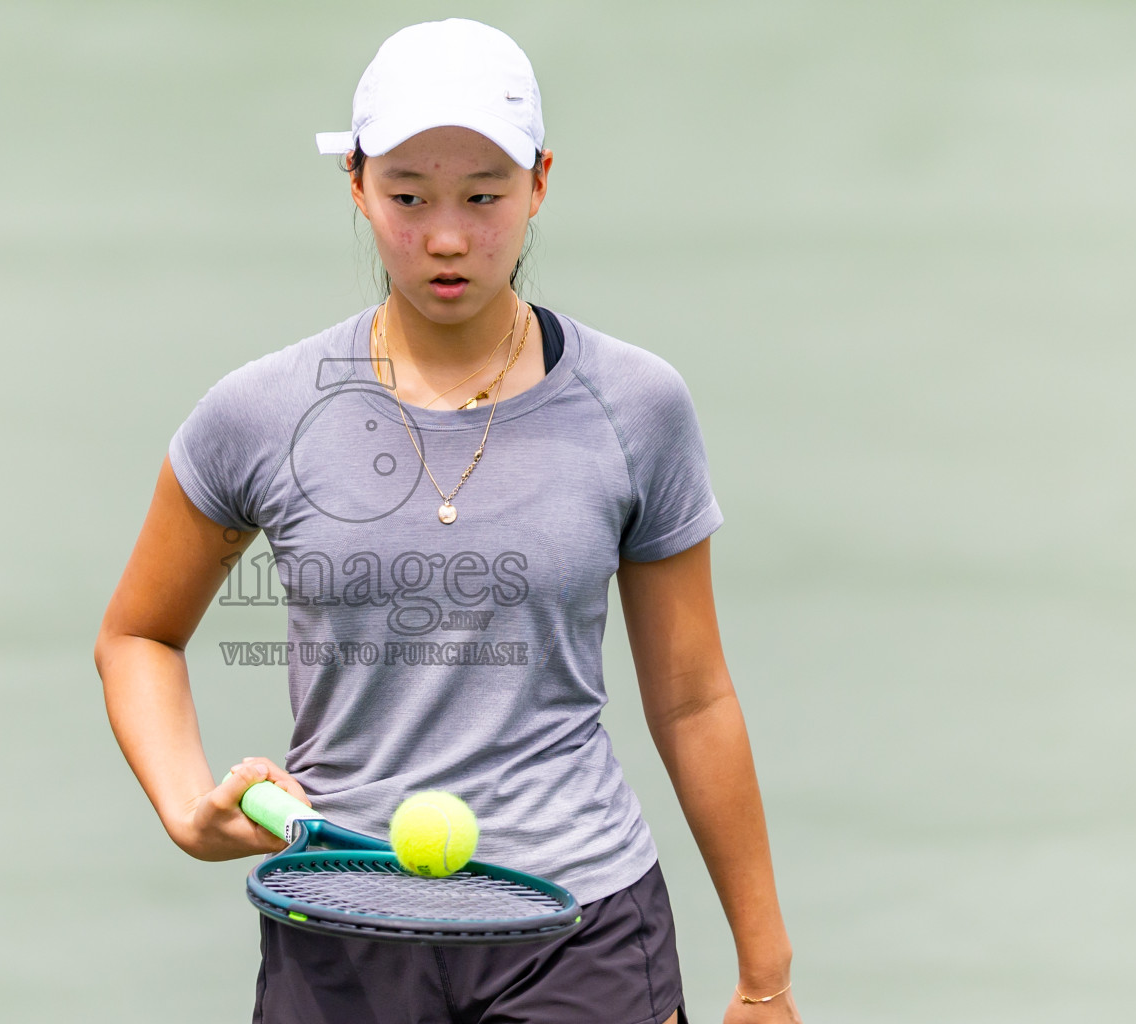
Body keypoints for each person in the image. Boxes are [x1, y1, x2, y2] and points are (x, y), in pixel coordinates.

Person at [95, 18, 801, 1024]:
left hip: (578, 926)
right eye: (408, 197)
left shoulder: (636, 404)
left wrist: (764, 974)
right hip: (340, 924)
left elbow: (691, 698)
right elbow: (138, 635)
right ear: (355, 186)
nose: (447, 237)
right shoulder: (262, 412)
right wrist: (185, 809)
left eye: (484, 197)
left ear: (541, 184)